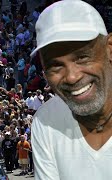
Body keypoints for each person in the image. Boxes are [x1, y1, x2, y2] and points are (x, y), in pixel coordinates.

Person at [31, 1, 112, 180]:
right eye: (55, 66)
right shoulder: (47, 120)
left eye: (82, 57)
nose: (72, 77)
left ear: (109, 49)